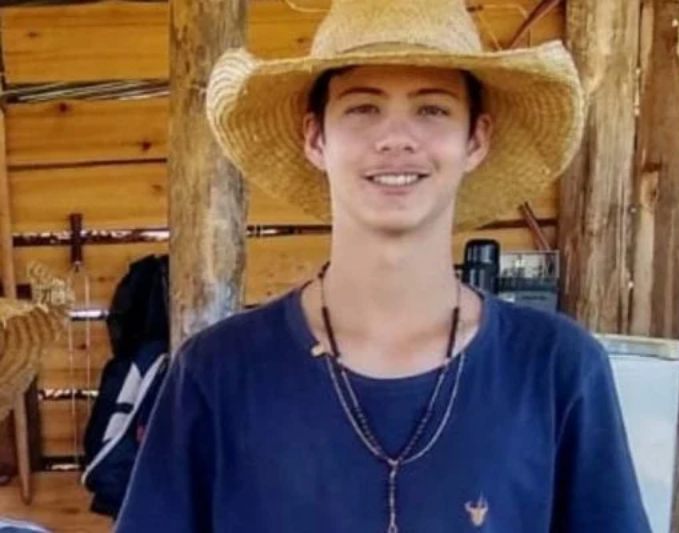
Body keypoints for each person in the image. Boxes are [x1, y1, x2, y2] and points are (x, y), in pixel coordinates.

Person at [115, 0, 651, 531]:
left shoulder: (556, 369)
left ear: (476, 138)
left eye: (432, 109)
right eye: (363, 108)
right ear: (316, 137)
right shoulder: (216, 373)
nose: (396, 138)